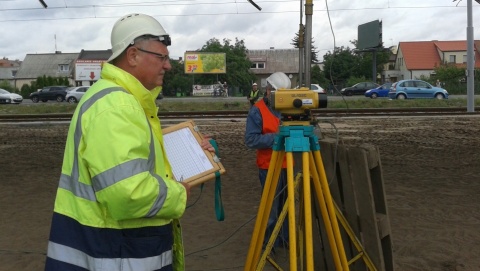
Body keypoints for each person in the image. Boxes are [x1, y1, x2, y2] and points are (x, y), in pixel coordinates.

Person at [45, 13, 214, 271]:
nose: (168, 65)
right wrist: (180, 192)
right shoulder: (118, 105)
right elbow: (128, 193)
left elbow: (128, 163)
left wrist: (190, 155)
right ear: (133, 55)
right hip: (117, 252)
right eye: (162, 57)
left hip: (112, 247)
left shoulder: (118, 100)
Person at [244, 72, 291, 250]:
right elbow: (251, 140)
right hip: (269, 167)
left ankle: (285, 240)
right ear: (269, 91)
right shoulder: (257, 110)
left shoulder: (289, 107)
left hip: (289, 166)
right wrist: (277, 138)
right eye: (279, 94)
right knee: (271, 208)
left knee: (287, 207)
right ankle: (268, 243)